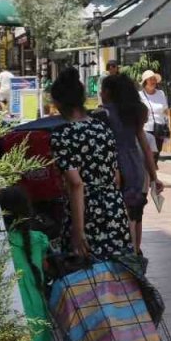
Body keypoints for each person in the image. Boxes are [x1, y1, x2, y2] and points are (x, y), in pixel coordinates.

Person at [49, 69, 133, 260]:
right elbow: (115, 176)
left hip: (86, 213)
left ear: (59, 102)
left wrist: (78, 232)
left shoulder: (62, 134)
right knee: (116, 277)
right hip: (114, 210)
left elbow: (76, 184)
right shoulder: (102, 127)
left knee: (84, 279)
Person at [97, 73, 163, 255]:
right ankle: (134, 254)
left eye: (102, 89)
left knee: (118, 216)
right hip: (135, 167)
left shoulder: (103, 114)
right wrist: (154, 177)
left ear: (109, 92)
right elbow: (145, 147)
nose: (100, 93)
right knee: (133, 215)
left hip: (114, 168)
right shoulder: (135, 112)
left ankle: (125, 257)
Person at [139, 70, 170, 163]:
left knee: (156, 153)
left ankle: (152, 175)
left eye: (154, 79)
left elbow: (165, 109)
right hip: (146, 128)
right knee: (148, 154)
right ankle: (149, 175)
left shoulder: (160, 93)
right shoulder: (140, 95)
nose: (153, 82)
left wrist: (167, 123)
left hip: (159, 128)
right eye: (150, 79)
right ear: (145, 82)